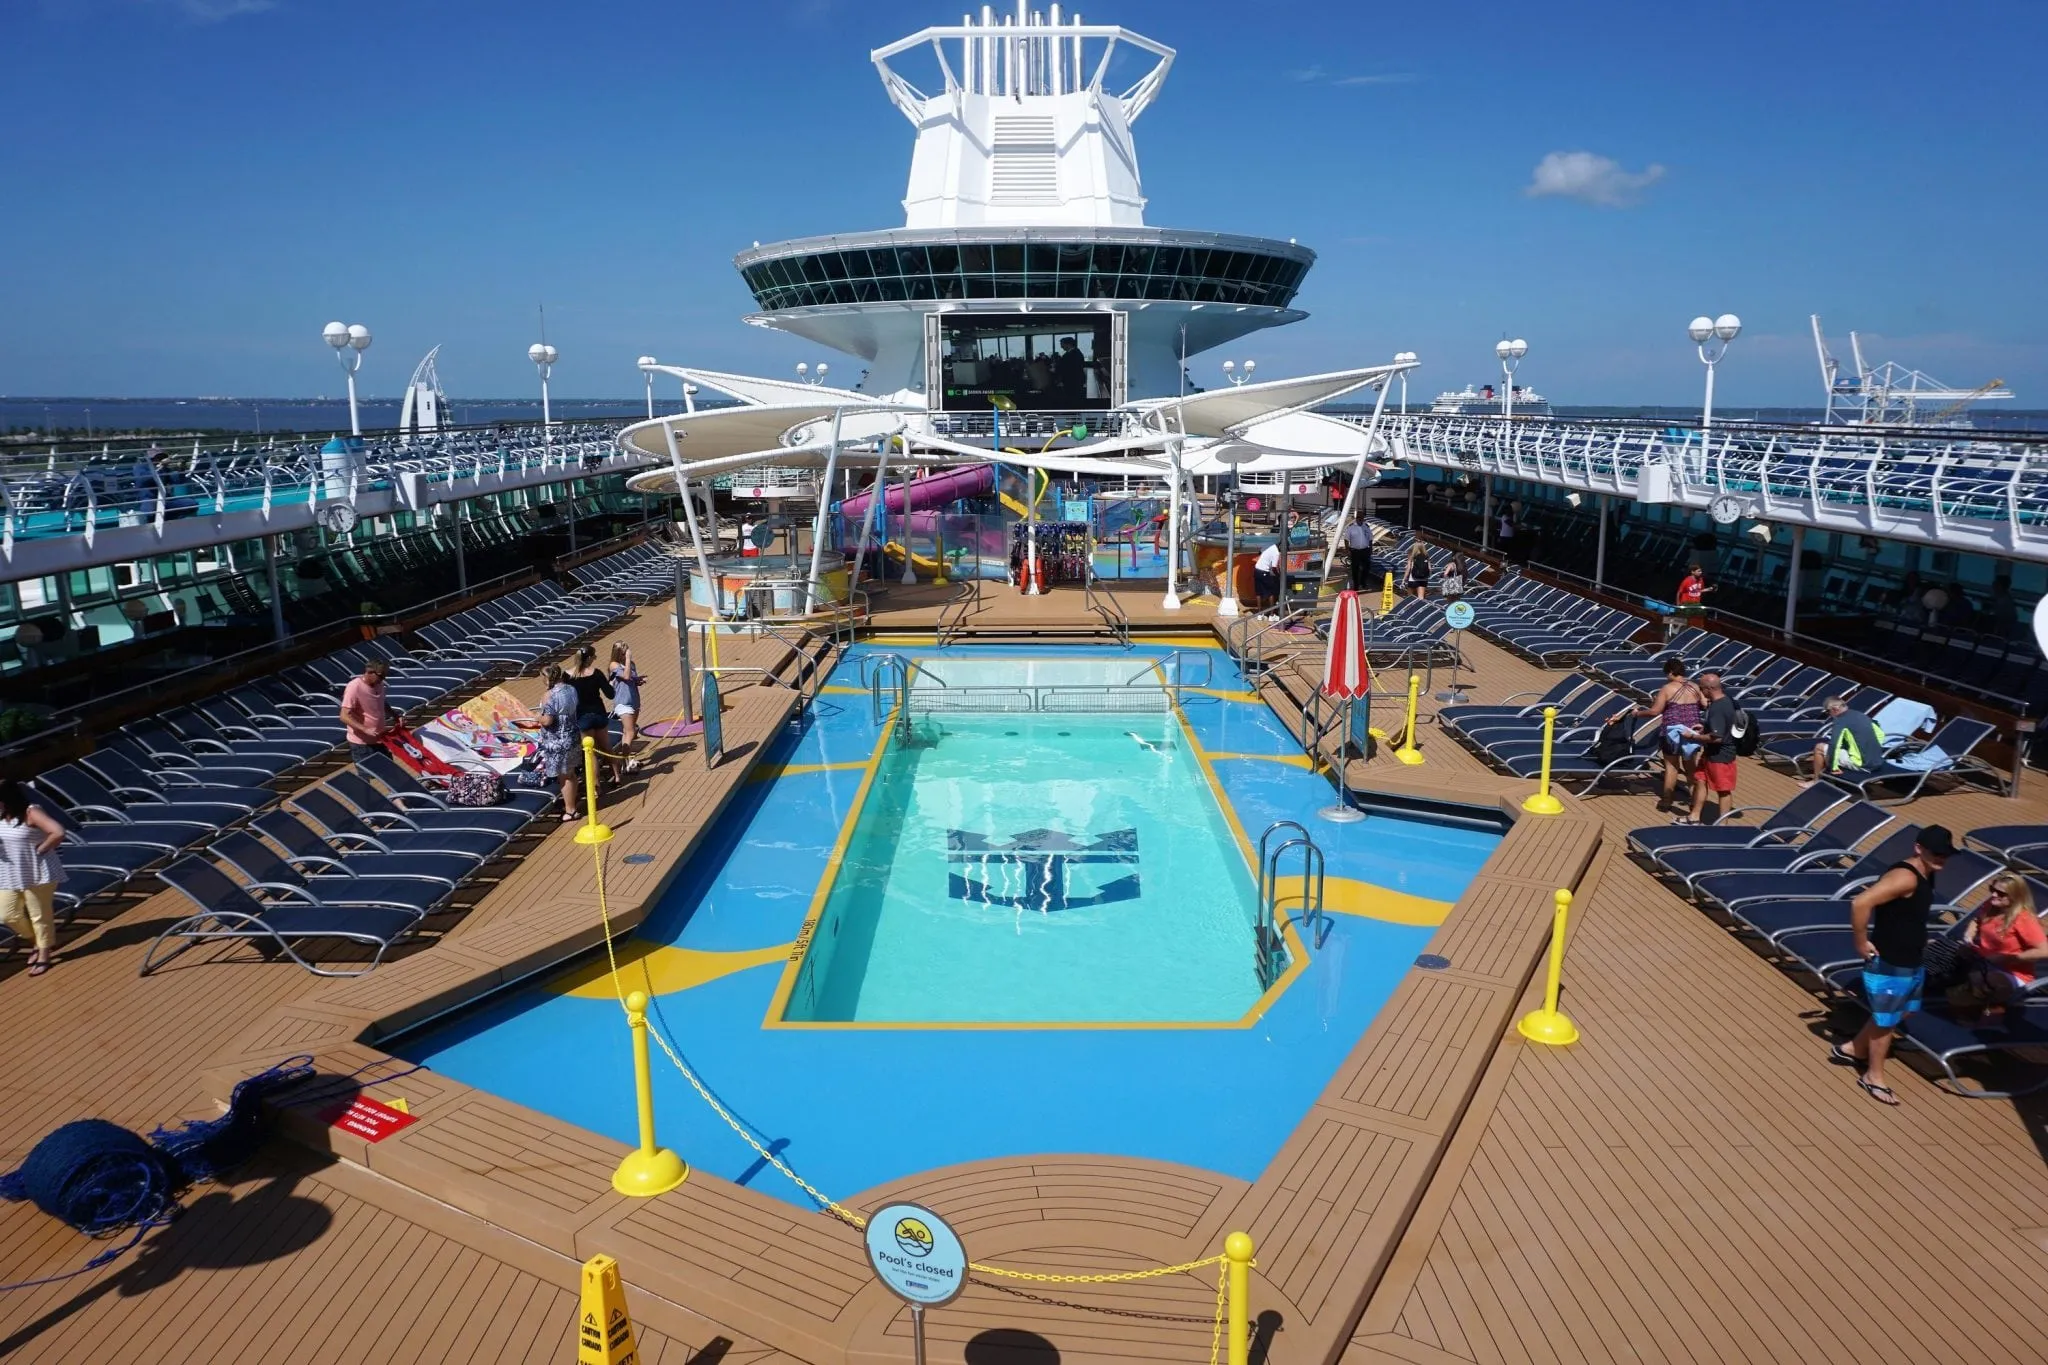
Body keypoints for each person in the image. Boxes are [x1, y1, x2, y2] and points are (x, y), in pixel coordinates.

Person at [1830, 825, 1955, 1105]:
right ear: (1918, 848)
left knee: (1906, 1012)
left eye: (1946, 854)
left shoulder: (1927, 871)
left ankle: (1855, 1047)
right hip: (1890, 961)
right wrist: (1861, 941)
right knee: (1886, 1021)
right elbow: (1861, 902)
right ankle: (1873, 1077)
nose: (1942, 859)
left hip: (1910, 957)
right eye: (1937, 853)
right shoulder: (1905, 878)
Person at [1946, 875, 2048, 1022]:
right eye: (1992, 889)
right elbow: (1977, 920)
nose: (1994, 894)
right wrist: (1970, 932)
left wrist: (2006, 958)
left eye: (2001, 893)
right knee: (1941, 949)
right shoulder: (1991, 905)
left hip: (2012, 972)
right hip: (1984, 960)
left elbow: (2044, 951)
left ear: (2015, 897)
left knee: (1982, 980)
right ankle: (1955, 999)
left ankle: (1989, 1019)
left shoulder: (2024, 919)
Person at [0, 780, 65, 976]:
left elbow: (58, 832)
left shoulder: (31, 812)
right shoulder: (1, 814)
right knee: (7, 914)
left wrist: (41, 849)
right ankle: (37, 942)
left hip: (37, 872)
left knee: (39, 915)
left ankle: (44, 954)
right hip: (9, 873)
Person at [1635, 657, 1704, 818]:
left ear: (1672, 672)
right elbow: (1705, 704)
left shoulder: (1667, 688)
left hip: (1672, 733)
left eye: (1667, 673)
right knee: (1691, 768)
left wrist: (1637, 713)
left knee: (1671, 768)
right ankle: (1694, 802)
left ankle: (1666, 802)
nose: (1666, 677)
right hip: (1692, 732)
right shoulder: (1695, 687)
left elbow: (1655, 711)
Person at [519, 663, 584, 822]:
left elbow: (548, 720)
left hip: (558, 740)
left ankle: (570, 810)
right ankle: (571, 804)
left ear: (546, 677)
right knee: (572, 773)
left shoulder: (549, 695)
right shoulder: (571, 689)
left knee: (564, 776)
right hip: (573, 735)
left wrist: (537, 717)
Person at [1688, 669, 1739, 825]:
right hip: (1710, 754)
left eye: (1702, 688)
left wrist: (1693, 737)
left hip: (1720, 756)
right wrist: (1704, 727)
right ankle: (1694, 816)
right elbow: (1721, 727)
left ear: (1708, 689)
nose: (1701, 692)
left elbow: (1716, 738)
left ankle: (1722, 824)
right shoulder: (1724, 701)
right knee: (1700, 781)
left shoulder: (1718, 707)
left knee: (1723, 790)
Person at [1803, 696, 1885, 784]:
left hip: (1862, 765)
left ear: (1835, 709)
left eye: (1827, 711)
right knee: (1839, 748)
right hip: (1876, 762)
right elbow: (1880, 734)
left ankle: (1816, 781)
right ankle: (1826, 772)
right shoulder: (1860, 715)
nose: (1828, 714)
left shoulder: (1841, 720)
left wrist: (1833, 767)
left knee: (1819, 747)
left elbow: (1834, 745)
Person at [566, 645, 615, 781]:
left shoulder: (567, 676)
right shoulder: (596, 673)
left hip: (581, 717)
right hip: (598, 714)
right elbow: (610, 694)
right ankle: (616, 776)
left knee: (591, 752)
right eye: (595, 656)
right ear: (590, 658)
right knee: (606, 747)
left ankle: (596, 786)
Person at [339, 657, 392, 765]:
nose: (383, 678)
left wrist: (396, 716)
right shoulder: (354, 687)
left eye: (385, 675)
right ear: (369, 672)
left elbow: (381, 702)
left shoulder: (379, 684)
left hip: (380, 739)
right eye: (381, 675)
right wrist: (365, 729)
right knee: (366, 777)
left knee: (391, 772)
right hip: (361, 744)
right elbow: (343, 716)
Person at [607, 641, 645, 784]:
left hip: (633, 699)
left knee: (627, 732)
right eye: (625, 651)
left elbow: (631, 679)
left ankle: (627, 760)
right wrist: (628, 660)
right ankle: (626, 764)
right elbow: (626, 676)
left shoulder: (631, 664)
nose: (628, 653)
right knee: (630, 732)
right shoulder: (614, 665)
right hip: (623, 702)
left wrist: (639, 680)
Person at [1343, 518, 1375, 595]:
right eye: (1358, 518)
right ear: (1356, 519)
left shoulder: (1366, 527)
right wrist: (1347, 549)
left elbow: (1370, 539)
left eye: (1361, 518)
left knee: (1367, 567)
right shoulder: (1351, 528)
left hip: (1365, 550)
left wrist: (1371, 548)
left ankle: (1363, 582)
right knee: (1355, 569)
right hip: (1355, 551)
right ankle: (1356, 585)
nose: (1360, 520)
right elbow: (1346, 539)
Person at [1053, 337, 1087, 406]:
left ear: (1068, 344)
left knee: (1072, 400)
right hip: (1075, 381)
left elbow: (1067, 368)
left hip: (1073, 382)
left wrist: (1057, 372)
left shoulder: (1072, 354)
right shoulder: (1076, 352)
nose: (1061, 346)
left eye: (1062, 344)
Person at [1253, 539, 1282, 612]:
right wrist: (1279, 576)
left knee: (1258, 592)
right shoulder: (1276, 553)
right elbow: (1274, 568)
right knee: (1271, 592)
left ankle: (1259, 613)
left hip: (1257, 569)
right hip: (1264, 571)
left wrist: (1265, 559)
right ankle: (1272, 614)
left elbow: (1259, 552)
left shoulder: (1270, 544)